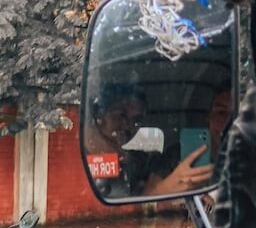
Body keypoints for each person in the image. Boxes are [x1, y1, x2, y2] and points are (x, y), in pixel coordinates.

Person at [85, 81, 213, 198]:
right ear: (99, 114)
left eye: (136, 120)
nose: (127, 125)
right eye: (120, 115)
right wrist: (165, 190)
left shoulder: (139, 163)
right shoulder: (79, 160)